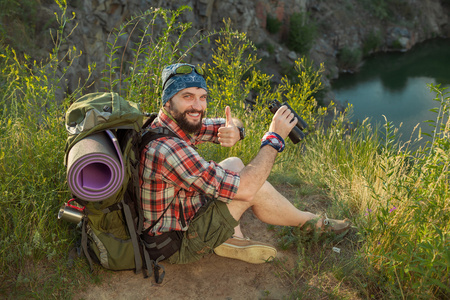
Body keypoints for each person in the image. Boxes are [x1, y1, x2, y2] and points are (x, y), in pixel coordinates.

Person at [139, 63, 351, 265]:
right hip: (177, 243)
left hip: (179, 213)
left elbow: (229, 123)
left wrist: (235, 130)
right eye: (188, 97)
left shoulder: (169, 124)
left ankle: (232, 237)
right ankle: (313, 224)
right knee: (253, 187)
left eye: (202, 97)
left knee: (234, 162)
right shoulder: (167, 149)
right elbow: (247, 189)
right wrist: (274, 138)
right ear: (167, 101)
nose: (197, 106)